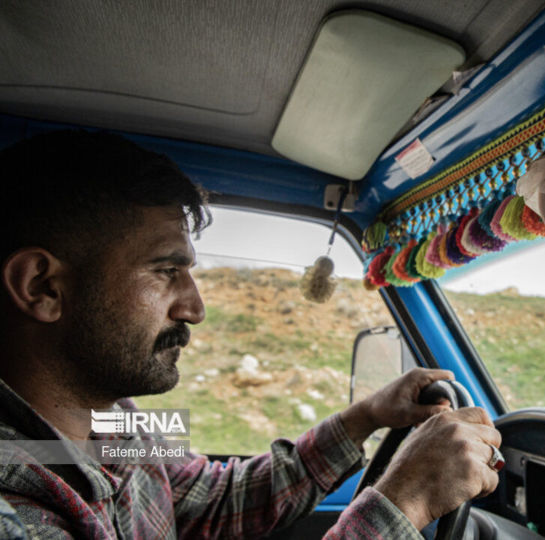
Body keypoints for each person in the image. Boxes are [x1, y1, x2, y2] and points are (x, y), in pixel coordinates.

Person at [0, 130, 502, 538]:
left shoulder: (113, 424)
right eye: (165, 271)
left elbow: (214, 499)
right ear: (42, 287)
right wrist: (404, 502)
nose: (195, 310)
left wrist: (364, 417)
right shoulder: (16, 510)